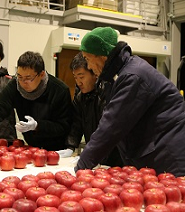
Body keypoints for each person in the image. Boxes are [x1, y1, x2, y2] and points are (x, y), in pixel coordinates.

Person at [75, 26, 185, 177]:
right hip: (152, 151)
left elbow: (112, 125)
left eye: (88, 59)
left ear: (102, 56)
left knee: (171, 198)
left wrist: (81, 167)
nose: (88, 66)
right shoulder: (116, 75)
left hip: (168, 154)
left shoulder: (133, 76)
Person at [0, 51, 72, 155]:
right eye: (19, 76)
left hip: (57, 150)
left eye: (28, 78)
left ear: (41, 74)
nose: (23, 82)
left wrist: (38, 126)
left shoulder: (59, 90)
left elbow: (63, 126)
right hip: (32, 148)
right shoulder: (15, 85)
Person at [58, 52, 124, 166]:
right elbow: (76, 124)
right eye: (75, 77)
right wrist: (71, 146)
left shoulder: (108, 92)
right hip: (96, 154)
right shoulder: (80, 97)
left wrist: (91, 153)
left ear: (94, 74)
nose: (78, 82)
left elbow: (108, 129)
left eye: (82, 76)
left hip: (115, 156)